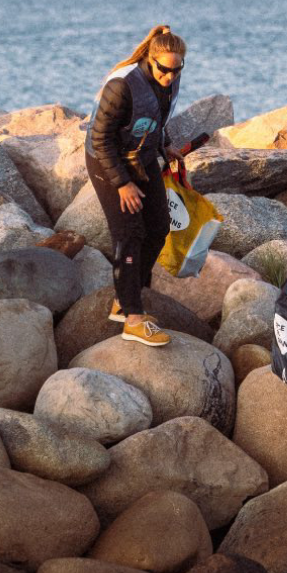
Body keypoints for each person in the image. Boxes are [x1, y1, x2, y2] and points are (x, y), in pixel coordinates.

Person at [85, 24, 209, 347]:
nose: (170, 76)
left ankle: (125, 300)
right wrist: (123, 184)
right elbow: (101, 139)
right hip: (106, 160)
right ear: (151, 61)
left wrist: (164, 146)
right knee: (129, 233)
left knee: (158, 226)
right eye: (164, 70)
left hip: (140, 154)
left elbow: (156, 118)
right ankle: (133, 319)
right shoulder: (122, 86)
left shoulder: (169, 81)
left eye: (176, 69)